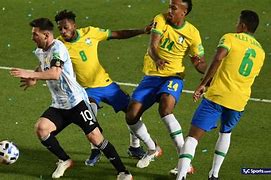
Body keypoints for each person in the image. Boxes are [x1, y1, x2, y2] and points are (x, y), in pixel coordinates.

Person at [10, 17, 133, 180]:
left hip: (77, 103)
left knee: (96, 138)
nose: (32, 38)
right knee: (42, 129)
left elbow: (55, 73)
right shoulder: (41, 50)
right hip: (59, 105)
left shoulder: (58, 48)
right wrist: (33, 78)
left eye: (35, 34)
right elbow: (44, 65)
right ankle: (64, 160)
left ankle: (124, 172)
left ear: (46, 35)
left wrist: (31, 74)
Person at [176, 10, 265, 180]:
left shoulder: (230, 38)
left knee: (193, 137)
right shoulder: (260, 52)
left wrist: (203, 83)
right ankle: (214, 174)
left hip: (217, 96)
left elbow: (218, 58)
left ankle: (180, 177)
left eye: (237, 21)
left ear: (243, 25)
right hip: (239, 100)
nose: (235, 24)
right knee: (226, 133)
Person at [54, 10, 150, 166]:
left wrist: (142, 30)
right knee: (90, 116)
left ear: (74, 25)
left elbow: (117, 34)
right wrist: (33, 75)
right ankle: (95, 150)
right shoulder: (59, 45)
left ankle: (135, 146)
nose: (63, 32)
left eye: (66, 27)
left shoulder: (90, 33)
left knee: (134, 112)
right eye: (60, 29)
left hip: (106, 84)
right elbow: (48, 63)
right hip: (86, 90)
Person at [125, 0, 207, 172]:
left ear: (184, 12)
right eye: (170, 6)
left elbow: (198, 62)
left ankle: (184, 161)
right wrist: (157, 59)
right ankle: (153, 148)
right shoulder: (160, 19)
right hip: (152, 76)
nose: (169, 10)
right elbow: (152, 46)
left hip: (173, 76)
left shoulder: (193, 33)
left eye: (174, 8)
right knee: (131, 115)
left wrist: (206, 70)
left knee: (165, 108)